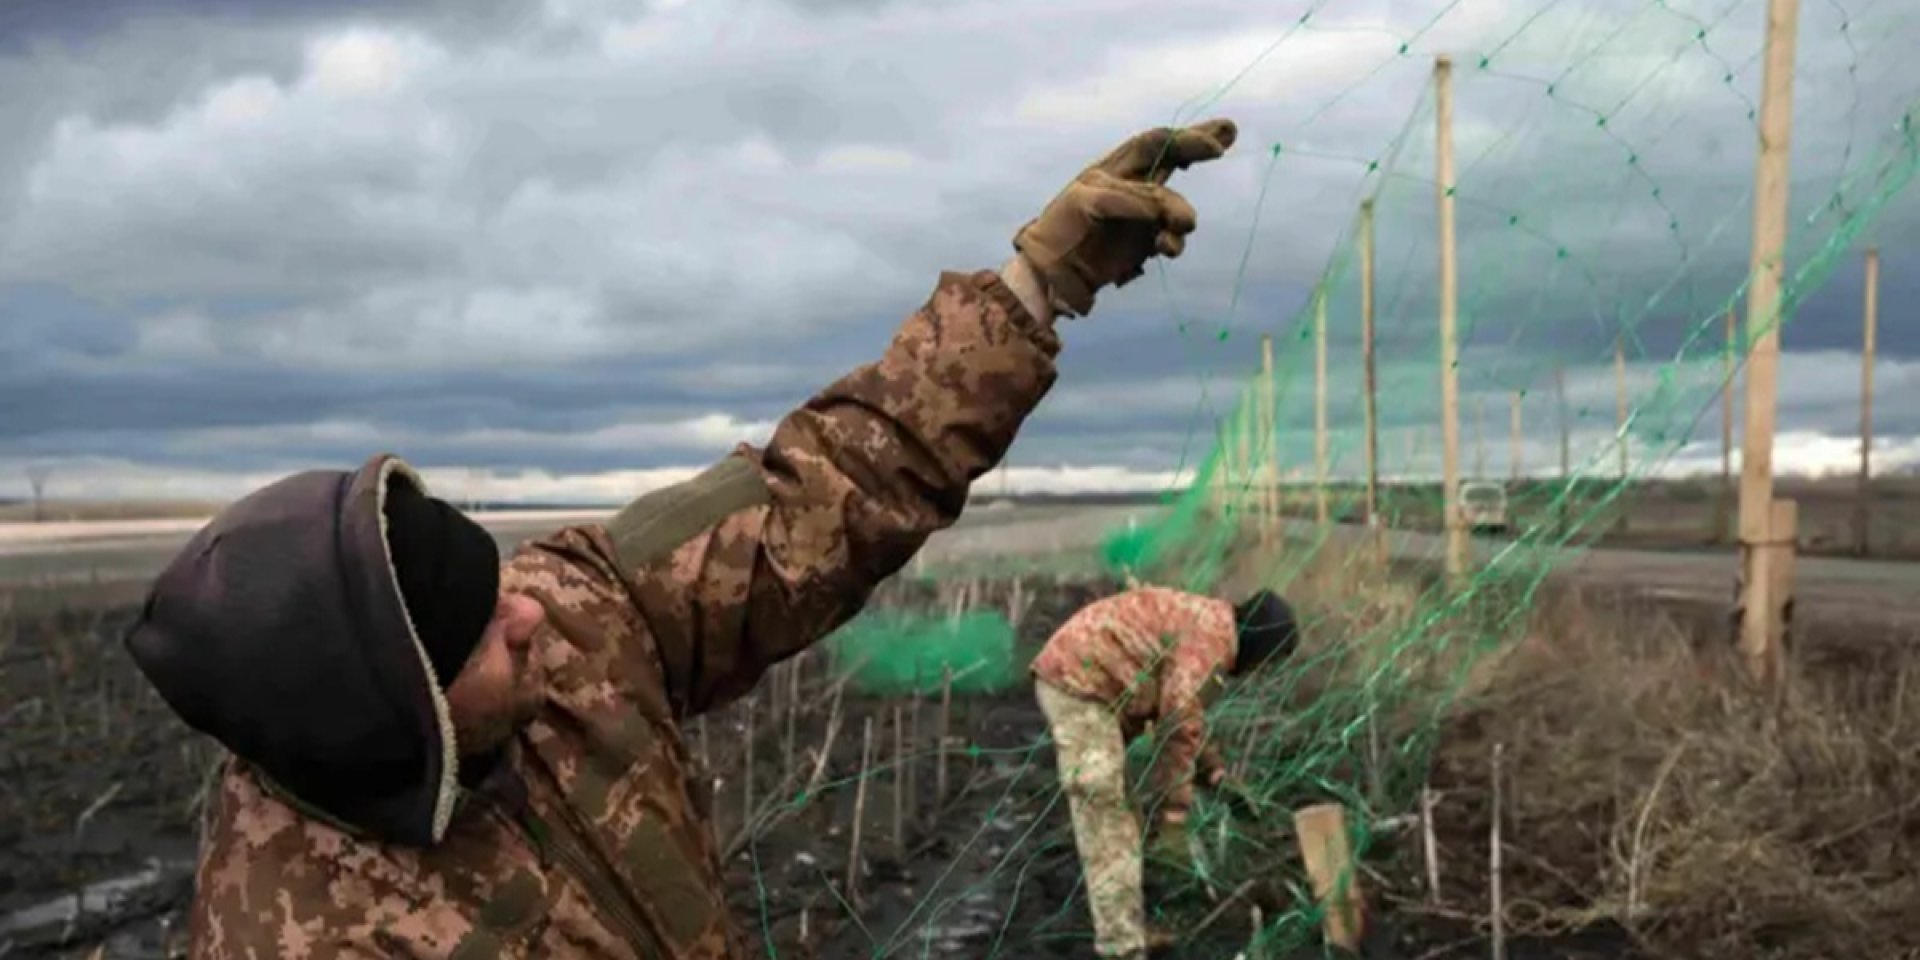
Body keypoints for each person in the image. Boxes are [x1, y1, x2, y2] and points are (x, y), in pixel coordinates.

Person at [121, 117, 1240, 960]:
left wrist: (1036, 286)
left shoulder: (573, 612)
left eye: (493, 580)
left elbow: (816, 491)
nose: (529, 614)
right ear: (394, 727)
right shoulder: (305, 932)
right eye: (479, 636)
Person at [1028, 584, 1299, 960]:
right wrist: (1175, 818)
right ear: (1260, 646)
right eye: (1266, 664)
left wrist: (1216, 776)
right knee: (1107, 818)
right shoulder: (1212, 643)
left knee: (1125, 816)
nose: (1259, 673)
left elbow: (1185, 716)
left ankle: (1128, 930)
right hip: (1079, 684)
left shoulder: (1211, 626)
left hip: (1091, 684)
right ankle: (1122, 948)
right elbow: (1176, 725)